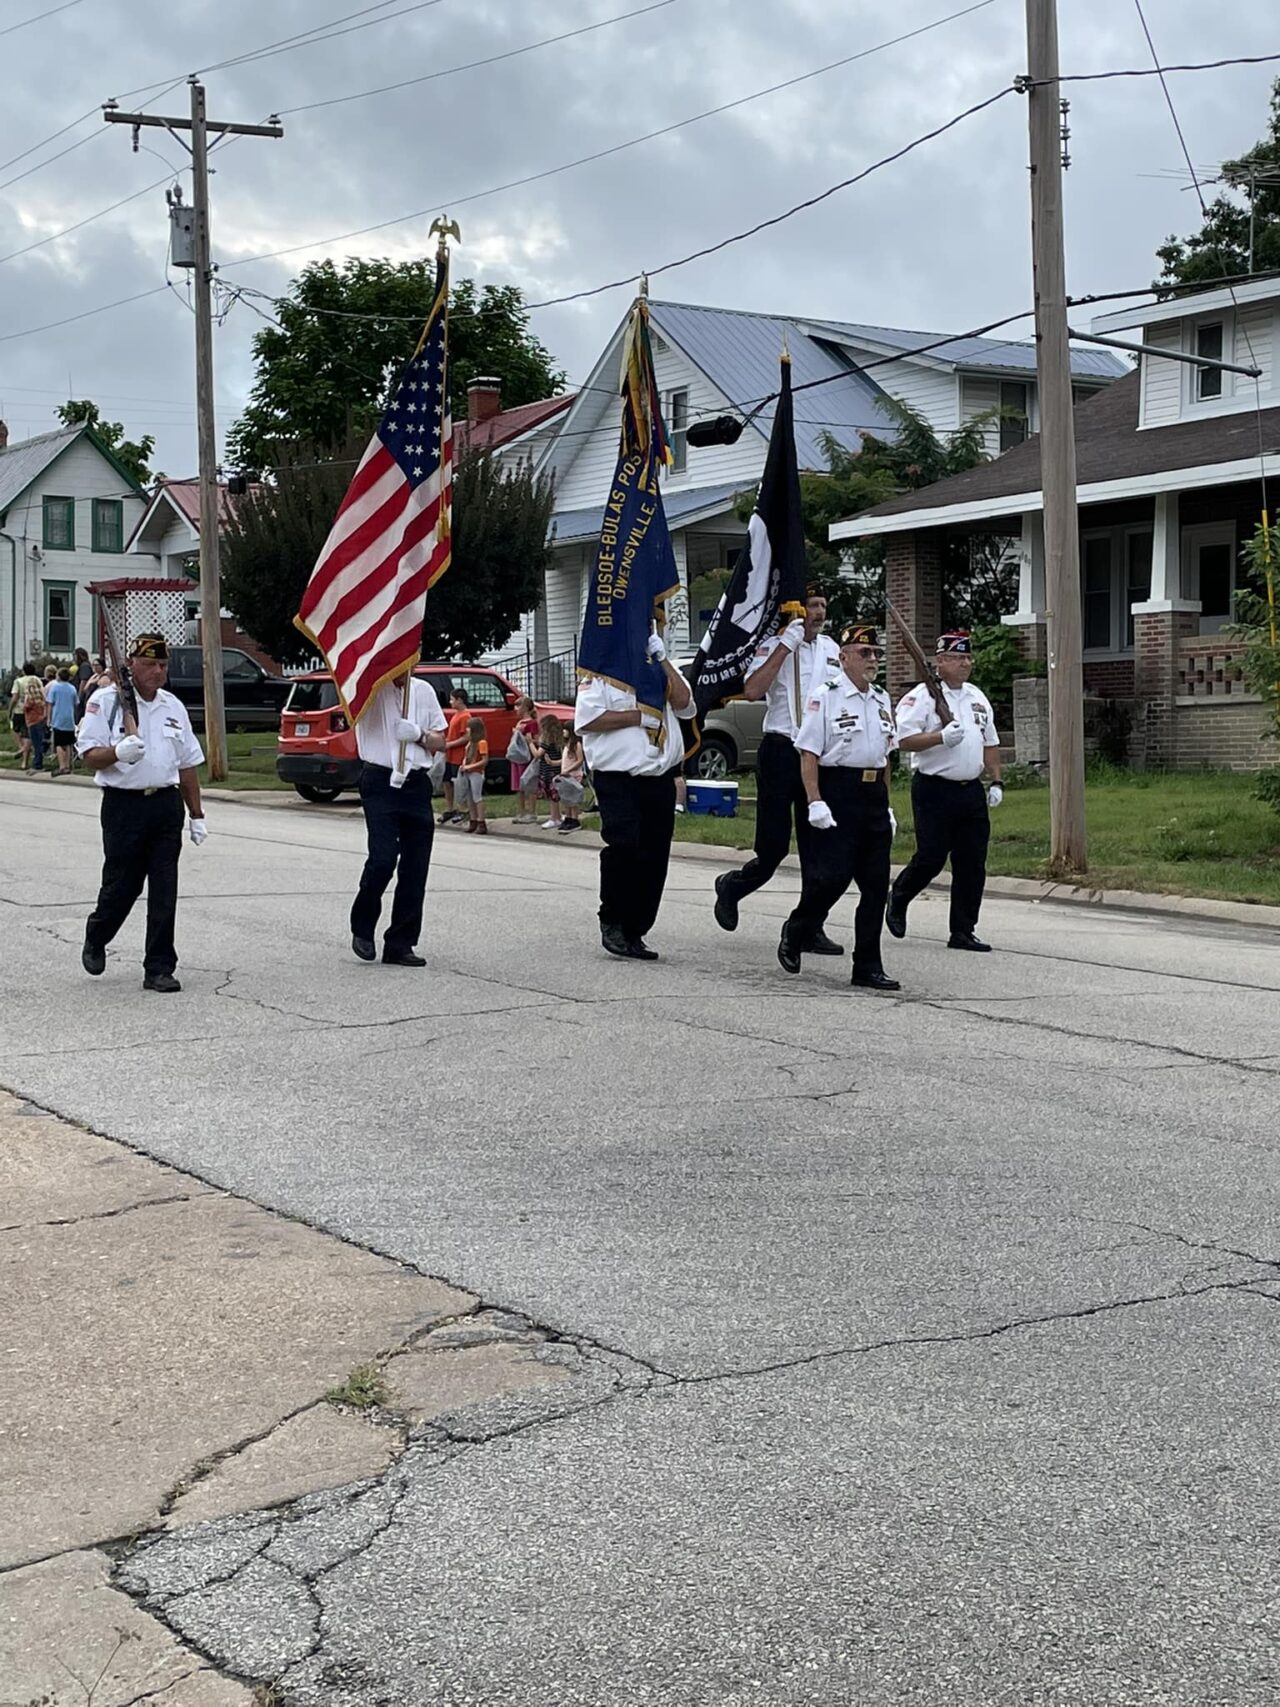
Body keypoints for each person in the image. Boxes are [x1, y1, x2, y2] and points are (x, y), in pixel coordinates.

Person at [77, 634, 207, 994]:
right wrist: (118, 752)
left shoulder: (172, 707)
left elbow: (187, 765)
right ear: (131, 664)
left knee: (165, 888)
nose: (157, 671)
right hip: (124, 806)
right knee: (123, 884)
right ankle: (98, 933)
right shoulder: (107, 701)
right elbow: (89, 755)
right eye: (149, 664)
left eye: (163, 665)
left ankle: (160, 967)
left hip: (165, 806)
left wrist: (196, 813)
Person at [713, 592, 843, 950]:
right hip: (781, 749)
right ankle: (734, 885)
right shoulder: (774, 645)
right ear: (794, 610)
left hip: (817, 753)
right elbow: (753, 690)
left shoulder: (833, 649)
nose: (818, 613)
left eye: (822, 606)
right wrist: (785, 647)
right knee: (773, 848)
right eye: (812, 606)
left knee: (817, 845)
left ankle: (809, 925)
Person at [778, 624, 899, 991]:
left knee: (877, 887)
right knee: (832, 878)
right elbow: (809, 753)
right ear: (843, 657)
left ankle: (867, 964)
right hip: (838, 792)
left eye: (876, 653)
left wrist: (887, 804)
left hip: (872, 796)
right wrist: (815, 801)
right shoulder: (825, 696)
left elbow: (886, 757)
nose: (872, 660)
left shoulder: (881, 698)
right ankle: (798, 928)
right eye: (865, 653)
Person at [575, 631, 696, 960]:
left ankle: (637, 929)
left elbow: (685, 705)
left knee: (655, 855)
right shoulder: (599, 674)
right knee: (624, 845)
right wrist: (641, 715)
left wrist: (662, 659)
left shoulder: (659, 669)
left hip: (658, 778)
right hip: (618, 778)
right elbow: (588, 720)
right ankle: (612, 919)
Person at [887, 630, 1003, 953]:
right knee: (932, 857)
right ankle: (899, 895)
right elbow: (903, 741)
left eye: (968, 657)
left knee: (972, 863)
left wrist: (996, 780)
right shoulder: (922, 697)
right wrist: (939, 737)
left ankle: (963, 930)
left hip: (971, 792)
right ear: (940, 662)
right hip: (934, 789)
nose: (965, 663)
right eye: (957, 657)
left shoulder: (977, 697)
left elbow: (990, 742)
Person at [349, 668, 448, 966]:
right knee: (382, 858)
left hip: (416, 782)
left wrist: (419, 735)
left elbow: (441, 741)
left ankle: (400, 942)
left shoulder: (423, 691)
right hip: (380, 780)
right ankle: (363, 926)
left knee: (415, 867)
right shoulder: (368, 689)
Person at [438, 688, 471, 825]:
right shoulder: (456, 715)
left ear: (460, 700)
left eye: (452, 699)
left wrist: (451, 744)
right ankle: (450, 808)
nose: (450, 702)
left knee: (459, 784)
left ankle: (463, 809)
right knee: (447, 781)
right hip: (449, 756)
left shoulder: (465, 716)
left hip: (458, 755)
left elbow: (467, 737)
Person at [454, 714, 489, 834]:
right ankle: (473, 820)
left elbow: (484, 760)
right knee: (469, 797)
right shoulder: (470, 744)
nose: (466, 730)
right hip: (468, 772)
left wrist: (470, 766)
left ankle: (481, 821)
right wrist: (464, 764)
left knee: (476, 797)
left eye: (468, 727)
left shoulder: (482, 743)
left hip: (477, 773)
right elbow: (466, 757)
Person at [509, 694, 540, 823]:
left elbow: (537, 740)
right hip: (517, 757)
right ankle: (521, 811)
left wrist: (527, 739)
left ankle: (531, 812)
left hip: (527, 757)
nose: (516, 709)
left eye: (518, 706)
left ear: (525, 708)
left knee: (529, 783)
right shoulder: (519, 723)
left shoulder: (532, 723)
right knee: (518, 785)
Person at [45, 667, 78, 776]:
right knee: (68, 743)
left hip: (58, 718)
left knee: (59, 744)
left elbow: (50, 704)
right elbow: (75, 703)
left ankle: (62, 766)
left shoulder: (55, 688)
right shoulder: (72, 688)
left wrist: (49, 718)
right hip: (69, 719)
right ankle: (68, 765)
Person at [533, 713, 563, 829]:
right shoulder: (558, 739)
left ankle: (554, 818)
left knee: (552, 796)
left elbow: (538, 754)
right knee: (556, 795)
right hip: (556, 770)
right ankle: (558, 816)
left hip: (548, 771)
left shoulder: (546, 739)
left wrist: (530, 743)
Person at [21, 665, 49, 773]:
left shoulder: (30, 698)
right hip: (41, 719)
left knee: (36, 743)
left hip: (32, 721)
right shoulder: (41, 698)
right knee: (40, 742)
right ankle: (39, 762)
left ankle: (38, 764)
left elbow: (26, 707)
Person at [557, 728, 586, 832]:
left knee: (573, 799)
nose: (563, 732)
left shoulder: (576, 744)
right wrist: (553, 762)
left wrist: (568, 770)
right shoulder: (566, 745)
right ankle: (568, 818)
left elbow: (580, 760)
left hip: (573, 775)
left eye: (565, 729)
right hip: (565, 776)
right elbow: (566, 759)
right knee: (566, 798)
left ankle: (575, 819)